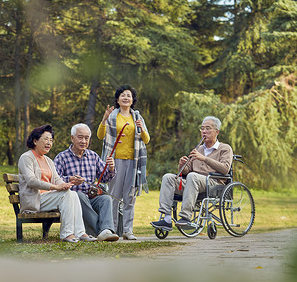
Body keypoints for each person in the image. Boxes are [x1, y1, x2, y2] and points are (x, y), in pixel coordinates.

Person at [150, 116, 233, 231]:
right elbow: (186, 171)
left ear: (217, 132)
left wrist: (204, 158)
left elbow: (225, 169)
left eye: (208, 128)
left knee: (192, 176)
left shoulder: (225, 148)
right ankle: (167, 219)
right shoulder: (199, 149)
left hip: (213, 182)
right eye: (202, 128)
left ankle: (186, 217)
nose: (204, 131)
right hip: (192, 182)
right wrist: (182, 165)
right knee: (168, 177)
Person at [18, 124, 96, 243]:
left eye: (51, 140)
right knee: (67, 195)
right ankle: (66, 234)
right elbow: (31, 181)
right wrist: (55, 187)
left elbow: (57, 178)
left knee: (72, 193)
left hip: (47, 199)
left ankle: (80, 232)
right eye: (46, 139)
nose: (49, 143)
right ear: (35, 141)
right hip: (34, 200)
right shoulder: (26, 157)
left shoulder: (48, 160)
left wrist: (67, 183)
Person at [97, 84, 150, 240]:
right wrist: (104, 119)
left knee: (129, 197)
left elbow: (146, 140)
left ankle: (128, 230)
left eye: (129, 95)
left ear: (132, 100)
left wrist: (142, 129)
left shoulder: (137, 117)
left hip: (133, 163)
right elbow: (101, 136)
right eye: (123, 95)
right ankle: (112, 229)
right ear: (118, 99)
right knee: (113, 196)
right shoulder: (112, 115)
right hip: (114, 162)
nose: (126, 98)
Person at [54, 123, 120, 242]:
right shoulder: (61, 157)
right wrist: (71, 179)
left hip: (92, 197)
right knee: (79, 195)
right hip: (73, 199)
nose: (83, 141)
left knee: (106, 199)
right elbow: (55, 179)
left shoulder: (93, 156)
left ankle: (106, 230)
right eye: (80, 137)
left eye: (86, 138)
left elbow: (105, 178)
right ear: (72, 138)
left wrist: (111, 168)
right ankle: (100, 231)